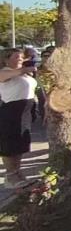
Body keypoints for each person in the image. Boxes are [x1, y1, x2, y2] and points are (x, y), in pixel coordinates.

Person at [0, 49, 37, 188]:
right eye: (17, 57)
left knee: (21, 143)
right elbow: (6, 76)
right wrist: (27, 68)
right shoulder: (5, 71)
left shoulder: (24, 73)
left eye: (22, 57)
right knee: (10, 144)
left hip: (26, 109)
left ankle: (17, 171)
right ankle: (10, 175)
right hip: (11, 110)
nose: (21, 59)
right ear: (6, 59)